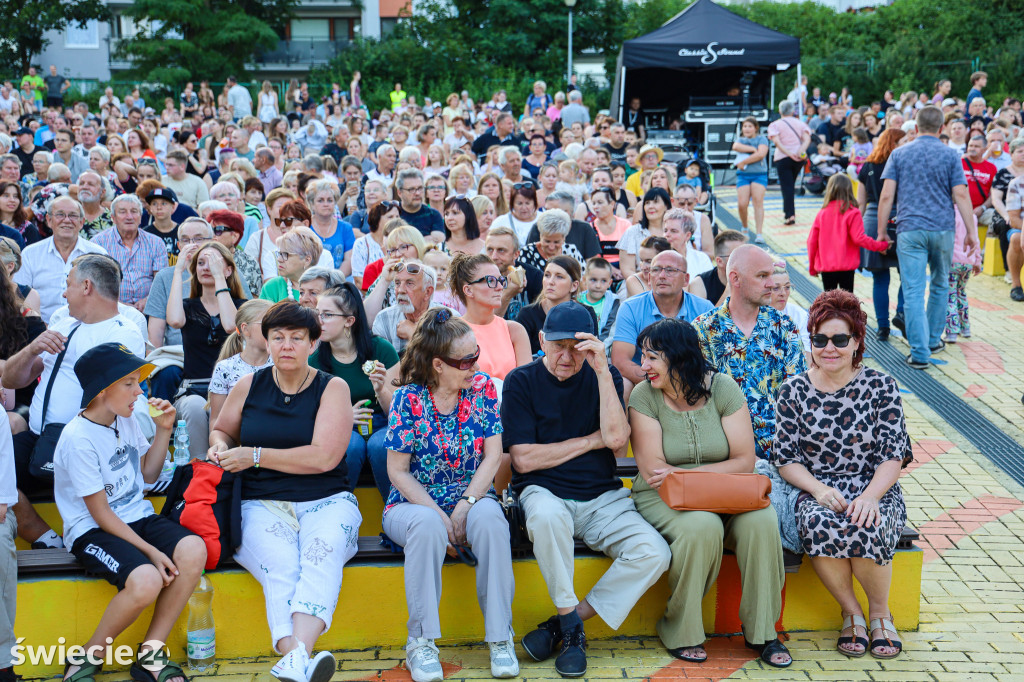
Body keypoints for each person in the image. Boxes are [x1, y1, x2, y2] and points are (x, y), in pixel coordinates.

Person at [502, 302, 670, 678]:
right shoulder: (521, 380)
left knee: (654, 553)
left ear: (591, 346)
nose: (565, 356)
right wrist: (589, 440)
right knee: (545, 516)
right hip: (544, 492)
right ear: (542, 340)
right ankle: (571, 630)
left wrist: (601, 370)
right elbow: (525, 460)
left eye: (576, 347)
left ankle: (565, 623)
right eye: (557, 345)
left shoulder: (603, 374)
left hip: (602, 497)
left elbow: (615, 439)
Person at [209, 301, 358, 681]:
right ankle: (298, 656)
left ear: (313, 343)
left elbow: (324, 457)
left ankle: (295, 656)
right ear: (267, 341)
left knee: (319, 556)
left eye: (296, 338)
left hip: (326, 500)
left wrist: (254, 455)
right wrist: (221, 447)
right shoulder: (249, 384)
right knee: (282, 567)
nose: (286, 345)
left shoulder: (332, 387)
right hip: (260, 502)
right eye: (278, 337)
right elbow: (222, 430)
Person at [628, 319, 790, 667]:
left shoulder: (724, 389)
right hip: (662, 497)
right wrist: (693, 477)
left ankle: (763, 632)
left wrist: (691, 475)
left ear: (679, 357)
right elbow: (656, 472)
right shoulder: (644, 396)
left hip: (724, 494)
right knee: (702, 527)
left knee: (762, 521)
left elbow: (745, 460)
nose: (643, 366)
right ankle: (680, 629)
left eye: (652, 357)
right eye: (642, 357)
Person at [54, 343, 204, 682]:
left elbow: (148, 475)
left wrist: (164, 428)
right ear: (102, 390)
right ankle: (85, 659)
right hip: (93, 528)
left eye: (139, 381)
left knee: (194, 549)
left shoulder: (127, 418)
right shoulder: (77, 439)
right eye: (129, 383)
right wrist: (151, 552)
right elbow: (101, 514)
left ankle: (151, 653)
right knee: (146, 580)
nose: (140, 390)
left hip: (135, 515)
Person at [773, 289, 911, 660]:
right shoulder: (793, 390)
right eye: (820, 339)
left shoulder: (881, 386)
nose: (828, 347)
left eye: (839, 339)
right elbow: (786, 459)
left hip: (875, 485)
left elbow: (893, 455)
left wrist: (870, 496)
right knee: (820, 523)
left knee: (867, 521)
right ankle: (852, 613)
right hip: (817, 487)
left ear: (856, 342)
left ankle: (880, 613)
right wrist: (817, 490)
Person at [382, 308, 518, 682]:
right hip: (412, 503)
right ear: (439, 365)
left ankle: (500, 637)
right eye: (467, 360)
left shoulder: (485, 389)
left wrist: (465, 505)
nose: (476, 363)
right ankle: (421, 643)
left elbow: (493, 455)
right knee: (427, 525)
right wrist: (442, 517)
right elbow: (397, 471)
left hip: (471, 495)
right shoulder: (408, 398)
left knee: (491, 521)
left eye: (477, 354)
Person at [3, 254, 144, 550]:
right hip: (40, 437)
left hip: (82, 448)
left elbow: (113, 400)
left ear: (87, 287)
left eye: (68, 285)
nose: (64, 293)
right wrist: (31, 350)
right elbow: (11, 380)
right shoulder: (64, 324)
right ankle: (45, 537)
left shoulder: (122, 333)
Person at [876, 106, 978, 370]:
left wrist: (881, 231)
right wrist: (971, 233)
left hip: (910, 229)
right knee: (941, 284)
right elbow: (962, 195)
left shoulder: (899, 154)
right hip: (943, 229)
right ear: (942, 128)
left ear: (917, 128)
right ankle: (933, 340)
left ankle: (919, 353)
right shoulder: (950, 155)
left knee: (912, 290)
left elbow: (886, 195)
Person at [692, 245, 806, 460]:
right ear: (735, 279)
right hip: (724, 451)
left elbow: (798, 392)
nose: (771, 284)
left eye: (771, 275)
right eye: (762, 276)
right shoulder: (703, 329)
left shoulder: (783, 326)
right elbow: (698, 400)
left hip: (782, 450)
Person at [311, 284, 399, 501]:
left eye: (327, 315)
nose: (319, 321)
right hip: (340, 426)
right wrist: (345, 416)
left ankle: (397, 510)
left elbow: (397, 413)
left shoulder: (381, 350)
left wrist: (380, 389)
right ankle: (336, 509)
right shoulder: (315, 360)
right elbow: (311, 413)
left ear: (349, 321)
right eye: (318, 314)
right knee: (351, 445)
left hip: (383, 421)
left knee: (381, 445)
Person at [166, 241, 244, 459]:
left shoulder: (241, 305)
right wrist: (179, 269)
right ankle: (199, 470)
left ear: (228, 270)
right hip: (193, 389)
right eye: (200, 263)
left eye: (213, 263)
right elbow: (174, 320)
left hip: (231, 390)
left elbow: (231, 326)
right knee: (195, 407)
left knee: (217, 408)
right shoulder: (188, 306)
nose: (206, 268)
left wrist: (220, 278)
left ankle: (221, 467)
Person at [612, 250, 714, 398]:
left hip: (690, 381)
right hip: (644, 380)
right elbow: (621, 362)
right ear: (648, 278)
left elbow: (711, 359)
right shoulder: (631, 308)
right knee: (622, 383)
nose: (662, 276)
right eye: (656, 270)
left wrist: (680, 383)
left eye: (670, 270)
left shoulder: (704, 309)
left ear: (686, 280)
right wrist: (665, 382)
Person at [13, 196, 106, 322]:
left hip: (87, 328)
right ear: (49, 220)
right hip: (41, 330)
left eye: (73, 215)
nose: (67, 220)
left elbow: (104, 298)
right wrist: (38, 328)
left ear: (82, 222)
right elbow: (19, 299)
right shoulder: (30, 254)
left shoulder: (97, 254)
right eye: (60, 214)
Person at [857, 129, 907, 340]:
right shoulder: (904, 164)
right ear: (894, 143)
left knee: (879, 278)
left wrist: (857, 231)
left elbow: (861, 201)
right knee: (908, 274)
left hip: (872, 217)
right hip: (901, 217)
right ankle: (902, 313)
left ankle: (883, 327)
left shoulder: (867, 166)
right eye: (903, 141)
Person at [449, 252, 531, 381]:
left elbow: (527, 384)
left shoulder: (514, 330)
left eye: (500, 280)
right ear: (468, 290)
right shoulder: (451, 332)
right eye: (491, 281)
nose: (499, 287)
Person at [807, 174, 888, 292]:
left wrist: (812, 267)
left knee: (830, 302)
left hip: (827, 267)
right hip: (847, 266)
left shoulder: (822, 213)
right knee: (848, 303)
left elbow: (812, 241)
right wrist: (881, 245)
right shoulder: (853, 212)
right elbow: (859, 238)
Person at [208, 299, 273, 437]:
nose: (274, 329)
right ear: (245, 329)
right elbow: (216, 420)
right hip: (237, 441)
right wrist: (221, 445)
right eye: (267, 324)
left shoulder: (280, 365)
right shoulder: (225, 368)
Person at [516, 256, 595, 356]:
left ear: (574, 286)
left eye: (559, 277)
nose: (550, 282)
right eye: (547, 275)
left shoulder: (586, 313)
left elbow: (590, 354)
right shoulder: (527, 314)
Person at [766, 101, 811, 226]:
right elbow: (807, 138)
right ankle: (789, 211)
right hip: (799, 158)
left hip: (783, 157)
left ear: (780, 111)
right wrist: (801, 150)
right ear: (793, 111)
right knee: (790, 185)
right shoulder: (801, 124)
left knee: (787, 186)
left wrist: (788, 152)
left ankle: (789, 215)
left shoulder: (775, 125)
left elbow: (777, 142)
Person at [484, 226, 542, 321]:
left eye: (501, 250)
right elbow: (486, 322)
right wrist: (508, 294)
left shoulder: (533, 276)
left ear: (516, 254)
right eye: (490, 249)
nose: (494, 256)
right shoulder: (479, 278)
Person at [617, 187, 671, 282]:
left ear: (666, 206)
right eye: (647, 203)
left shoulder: (673, 232)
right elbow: (627, 269)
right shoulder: (632, 232)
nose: (650, 206)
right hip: (638, 283)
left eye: (655, 202)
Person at [260, 226, 324, 304]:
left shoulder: (325, 288)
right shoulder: (272, 287)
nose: (279, 259)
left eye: (285, 254)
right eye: (279, 254)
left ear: (307, 260)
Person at [945, 209, 982, 343]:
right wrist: (977, 261)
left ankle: (951, 332)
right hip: (967, 262)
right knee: (961, 293)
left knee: (950, 295)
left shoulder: (948, 213)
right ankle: (965, 328)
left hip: (952, 261)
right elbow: (976, 240)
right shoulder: (971, 215)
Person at [732, 117, 770, 241]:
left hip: (759, 174)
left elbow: (761, 154)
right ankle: (744, 227)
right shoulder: (741, 139)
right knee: (742, 203)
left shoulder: (761, 138)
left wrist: (744, 161)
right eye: (745, 126)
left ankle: (759, 233)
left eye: (750, 126)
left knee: (758, 202)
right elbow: (736, 146)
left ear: (755, 128)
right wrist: (752, 149)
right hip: (743, 175)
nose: (747, 129)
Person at [305, 179, 355, 273]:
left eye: (330, 200)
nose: (326, 204)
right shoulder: (305, 227)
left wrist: (335, 281)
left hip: (339, 281)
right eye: (320, 200)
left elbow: (349, 260)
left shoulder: (345, 228)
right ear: (311, 204)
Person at [687, 230, 745, 307]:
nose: (745, 259)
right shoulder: (700, 284)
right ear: (719, 261)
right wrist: (729, 290)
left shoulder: (752, 279)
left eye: (746, 254)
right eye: (737, 256)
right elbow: (701, 318)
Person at [519, 209, 585, 270]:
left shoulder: (571, 251)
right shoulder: (528, 252)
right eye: (547, 241)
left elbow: (583, 278)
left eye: (556, 242)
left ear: (564, 238)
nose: (551, 247)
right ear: (540, 236)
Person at [769, 262, 811, 357]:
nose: (783, 293)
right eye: (776, 288)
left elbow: (808, 354)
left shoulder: (799, 315)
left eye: (787, 287)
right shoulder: (753, 314)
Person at [576, 257, 620, 345]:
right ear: (584, 280)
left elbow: (610, 330)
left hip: (601, 346)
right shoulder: (577, 299)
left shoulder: (613, 301)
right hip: (578, 344)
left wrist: (599, 346)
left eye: (603, 281)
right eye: (593, 280)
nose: (598, 285)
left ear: (609, 283)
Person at [396, 168, 444, 241]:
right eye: (411, 189)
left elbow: (438, 241)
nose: (417, 193)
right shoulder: (393, 214)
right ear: (399, 192)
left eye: (420, 188)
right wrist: (426, 239)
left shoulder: (433, 214)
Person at [662, 209, 713, 277]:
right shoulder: (655, 257)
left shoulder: (702, 259)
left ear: (687, 236)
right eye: (665, 231)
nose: (667, 235)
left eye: (673, 231)